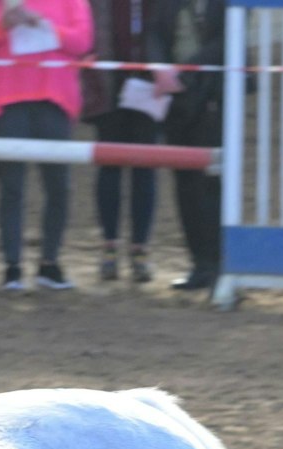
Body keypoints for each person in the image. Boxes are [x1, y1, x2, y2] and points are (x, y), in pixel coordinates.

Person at [0, 0, 93, 291]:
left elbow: (82, 41)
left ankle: (50, 262)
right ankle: (12, 266)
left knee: (59, 186)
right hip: (8, 100)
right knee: (12, 187)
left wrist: (47, 27)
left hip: (55, 99)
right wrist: (4, 24)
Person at [83, 0, 173, 283]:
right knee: (109, 167)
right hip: (108, 85)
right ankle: (109, 247)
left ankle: (140, 249)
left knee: (145, 169)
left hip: (150, 87)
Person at [162, 0, 223, 291]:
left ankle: (218, 263)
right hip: (176, 98)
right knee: (184, 183)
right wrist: (159, 69)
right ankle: (199, 263)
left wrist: (186, 68)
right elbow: (154, 33)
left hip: (213, 95)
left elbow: (226, 39)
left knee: (212, 183)